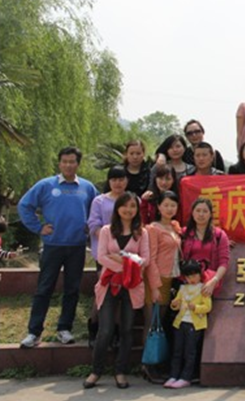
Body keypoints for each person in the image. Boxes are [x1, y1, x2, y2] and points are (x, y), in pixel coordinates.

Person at [18, 146, 99, 349]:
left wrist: (91, 227)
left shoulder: (87, 187)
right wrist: (39, 227)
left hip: (77, 246)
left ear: (78, 164)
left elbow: (98, 209)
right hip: (52, 246)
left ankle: (64, 328)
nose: (68, 165)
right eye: (65, 161)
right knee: (44, 288)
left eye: (72, 162)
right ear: (59, 163)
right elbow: (24, 206)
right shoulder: (46, 185)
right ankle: (34, 332)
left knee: (72, 289)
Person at [83, 192, 149, 390]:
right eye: (124, 206)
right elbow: (101, 256)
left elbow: (145, 259)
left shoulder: (141, 233)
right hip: (109, 284)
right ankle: (96, 371)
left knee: (127, 330)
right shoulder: (106, 230)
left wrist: (124, 261)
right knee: (105, 330)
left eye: (133, 206)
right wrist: (127, 265)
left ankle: (120, 371)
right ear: (117, 208)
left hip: (131, 287)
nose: (128, 210)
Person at [86, 165, 129, 347]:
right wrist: (110, 241)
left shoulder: (132, 199)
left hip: (125, 255)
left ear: (126, 180)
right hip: (104, 255)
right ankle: (94, 328)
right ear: (109, 181)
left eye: (121, 179)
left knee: (120, 293)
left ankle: (116, 332)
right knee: (103, 292)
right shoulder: (99, 201)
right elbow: (93, 225)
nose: (118, 183)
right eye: (114, 179)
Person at [164, 259, 212, 389]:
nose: (192, 279)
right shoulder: (182, 288)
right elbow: (176, 303)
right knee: (177, 350)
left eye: (195, 275)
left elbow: (207, 307)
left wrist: (195, 307)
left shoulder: (203, 288)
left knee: (189, 352)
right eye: (188, 276)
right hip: (180, 322)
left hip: (194, 324)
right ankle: (173, 375)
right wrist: (174, 304)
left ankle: (186, 377)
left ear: (200, 275)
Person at [144, 191, 183, 340]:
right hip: (156, 278)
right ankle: (147, 354)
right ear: (159, 207)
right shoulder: (153, 228)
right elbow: (151, 259)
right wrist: (154, 287)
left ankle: (156, 354)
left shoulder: (175, 227)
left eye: (173, 205)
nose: (169, 209)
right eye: (166, 205)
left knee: (161, 321)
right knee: (151, 323)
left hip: (170, 278)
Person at [181, 198, 230, 298]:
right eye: (198, 211)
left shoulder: (219, 235)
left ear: (210, 214)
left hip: (208, 284)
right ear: (192, 213)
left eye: (205, 211)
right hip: (186, 283)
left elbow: (224, 262)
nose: (201, 214)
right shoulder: (183, 233)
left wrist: (214, 281)